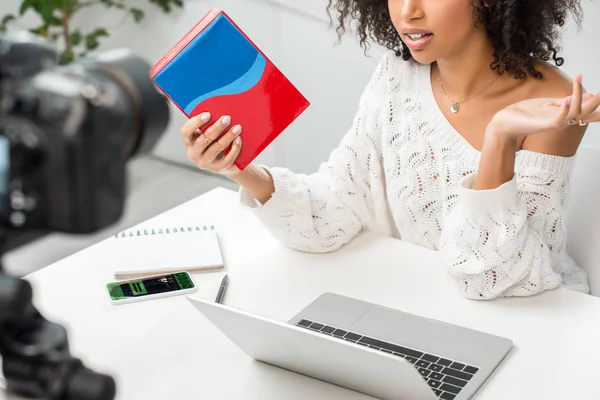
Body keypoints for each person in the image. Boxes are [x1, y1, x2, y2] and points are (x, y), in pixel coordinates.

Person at [180, 0, 600, 300]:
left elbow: (497, 279)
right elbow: (335, 210)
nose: (407, 12)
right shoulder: (398, 76)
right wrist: (240, 168)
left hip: (534, 323)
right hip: (420, 304)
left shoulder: (555, 103)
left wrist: (500, 138)